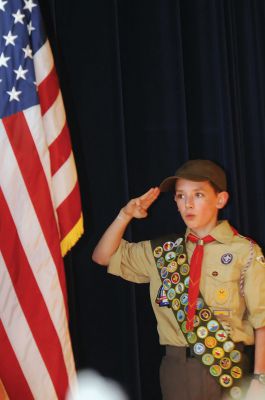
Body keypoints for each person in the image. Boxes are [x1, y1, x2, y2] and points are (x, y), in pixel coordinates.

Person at [92, 159, 265, 400]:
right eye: (181, 196)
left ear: (221, 199)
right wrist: (125, 215)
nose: (188, 204)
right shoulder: (163, 252)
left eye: (199, 195)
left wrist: (260, 379)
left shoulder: (244, 251)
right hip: (176, 368)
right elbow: (102, 256)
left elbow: (262, 321)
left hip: (229, 370)